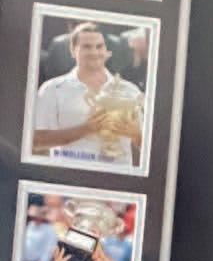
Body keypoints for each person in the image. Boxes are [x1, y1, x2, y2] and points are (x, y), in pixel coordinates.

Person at [32, 22, 144, 167]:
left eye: (99, 46)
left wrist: (135, 134)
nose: (94, 52)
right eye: (87, 47)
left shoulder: (130, 91)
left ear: (106, 51)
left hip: (117, 177)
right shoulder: (52, 89)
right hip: (68, 176)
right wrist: (86, 129)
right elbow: (37, 141)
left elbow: (148, 147)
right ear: (73, 50)